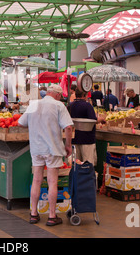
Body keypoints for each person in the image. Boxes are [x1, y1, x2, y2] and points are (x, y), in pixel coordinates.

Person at [17, 84, 74, 227]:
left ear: (47, 93)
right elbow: (68, 127)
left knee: (36, 180)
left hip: (37, 148)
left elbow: (20, 123)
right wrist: (68, 145)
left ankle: (34, 214)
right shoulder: (59, 106)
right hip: (52, 149)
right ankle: (52, 216)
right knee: (52, 182)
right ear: (58, 95)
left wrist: (35, 124)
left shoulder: (34, 105)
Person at [69, 88, 103, 166]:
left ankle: (78, 178)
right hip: (87, 139)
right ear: (84, 95)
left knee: (76, 164)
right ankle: (87, 178)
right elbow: (93, 120)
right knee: (88, 164)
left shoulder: (71, 105)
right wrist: (101, 119)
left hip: (75, 139)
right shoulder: (87, 106)